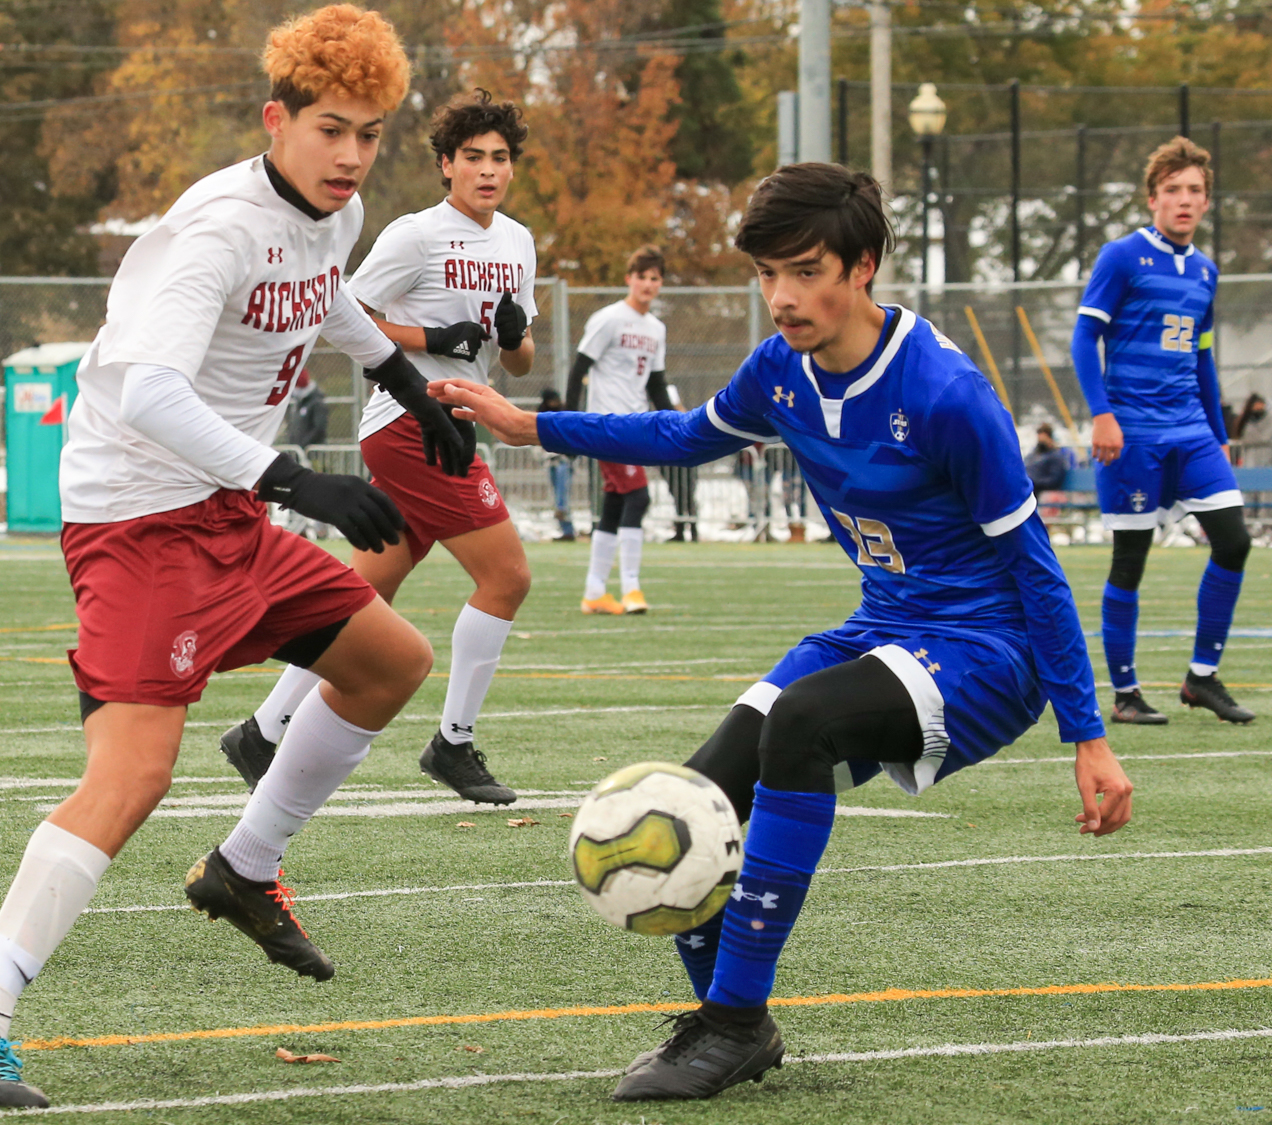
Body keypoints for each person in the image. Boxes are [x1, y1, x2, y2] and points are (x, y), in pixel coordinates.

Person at [434, 162, 1132, 1102]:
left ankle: (727, 1024)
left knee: (799, 723)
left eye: (804, 271)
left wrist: (1087, 735)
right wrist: (532, 425)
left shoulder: (946, 394)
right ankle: (737, 1023)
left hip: (985, 651)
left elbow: (1037, 572)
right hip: (884, 627)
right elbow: (684, 436)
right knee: (694, 794)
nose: (782, 297)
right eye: (768, 274)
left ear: (864, 266)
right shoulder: (780, 369)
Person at [0, 7, 470, 1108]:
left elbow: (331, 301)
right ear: (277, 120)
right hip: (136, 520)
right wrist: (292, 481)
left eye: (370, 133)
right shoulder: (212, 229)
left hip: (220, 507)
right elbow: (147, 389)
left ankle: (244, 868)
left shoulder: (335, 209)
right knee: (131, 777)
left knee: (389, 661)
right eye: (330, 129)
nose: (353, 154)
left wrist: (403, 383)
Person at [212, 88, 538, 807]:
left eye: (501, 158)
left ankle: (261, 732)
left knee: (363, 594)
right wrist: (433, 340)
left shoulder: (517, 241)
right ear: (446, 165)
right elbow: (346, 312)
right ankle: (453, 742)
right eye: (473, 157)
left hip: (458, 424)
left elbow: (517, 363)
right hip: (408, 422)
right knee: (507, 577)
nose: (488, 170)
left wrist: (513, 338)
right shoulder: (417, 234)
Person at [1072, 137, 1254, 725]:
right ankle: (1125, 695)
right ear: (1153, 199)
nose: (1184, 199)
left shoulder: (1205, 271)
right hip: (1132, 434)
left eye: (1195, 191)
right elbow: (1084, 338)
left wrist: (1219, 430)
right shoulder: (1122, 257)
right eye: (1173, 189)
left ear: (1206, 202)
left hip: (1193, 431)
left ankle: (1201, 677)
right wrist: (1103, 414)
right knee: (1131, 560)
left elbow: (1201, 357)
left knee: (1234, 541)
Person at [566, 245, 674, 613]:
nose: (647, 283)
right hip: (607, 423)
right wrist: (568, 419)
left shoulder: (656, 329)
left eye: (654, 277)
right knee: (639, 497)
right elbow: (578, 367)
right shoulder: (609, 319)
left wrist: (676, 423)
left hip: (637, 424)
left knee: (614, 503)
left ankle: (595, 590)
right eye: (641, 276)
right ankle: (631, 588)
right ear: (629, 279)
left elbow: (656, 384)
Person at [540, 387, 577, 540]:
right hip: (551, 460)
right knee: (558, 494)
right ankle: (566, 529)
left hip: (564, 460)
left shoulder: (563, 412)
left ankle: (563, 516)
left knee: (562, 494)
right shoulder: (541, 414)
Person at [1024, 422, 1076, 495]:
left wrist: (1034, 482)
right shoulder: (1033, 454)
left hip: (1043, 491)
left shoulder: (1056, 456)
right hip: (1030, 489)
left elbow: (1054, 481)